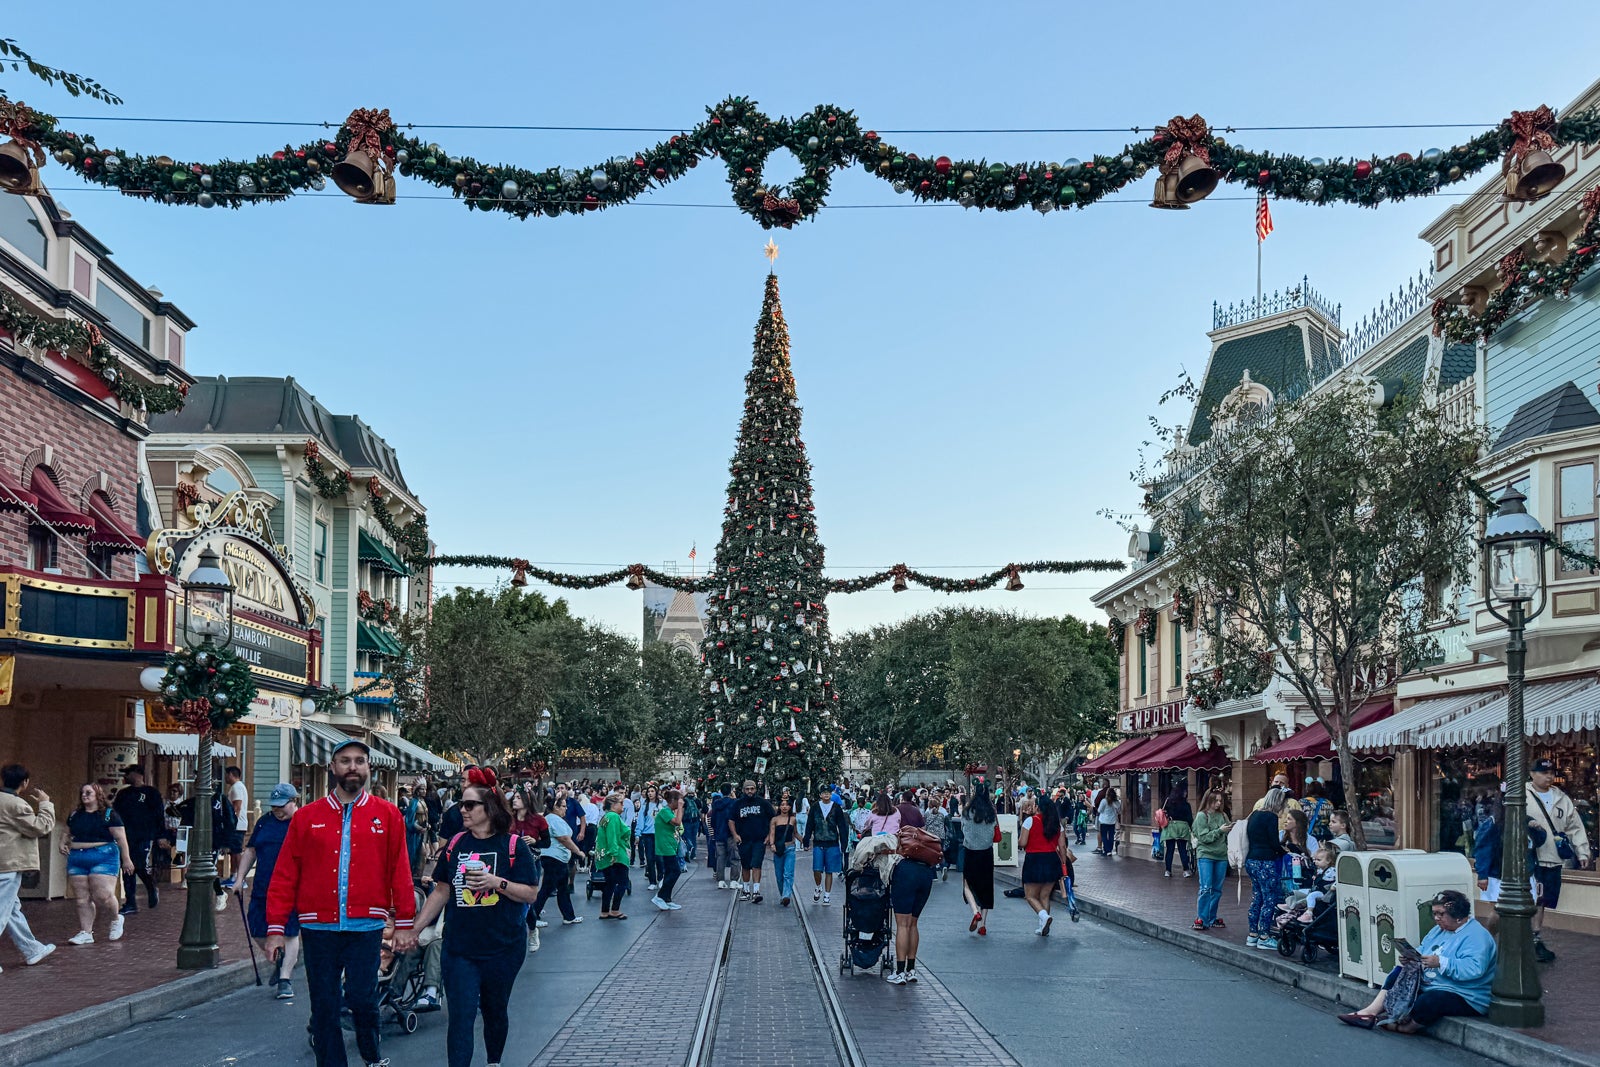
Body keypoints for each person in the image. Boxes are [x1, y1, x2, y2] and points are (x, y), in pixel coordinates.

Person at [265, 738, 414, 1067]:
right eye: (345, 761)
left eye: (359, 761)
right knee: (324, 1006)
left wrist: (404, 923)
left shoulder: (387, 815)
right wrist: (276, 928)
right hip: (319, 927)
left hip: (367, 925)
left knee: (363, 999)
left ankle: (372, 1057)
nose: (352, 767)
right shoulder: (306, 817)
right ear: (332, 767)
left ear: (368, 768)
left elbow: (399, 870)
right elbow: (285, 874)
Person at [404, 771, 538, 1067]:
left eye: (469, 805)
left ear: (489, 807)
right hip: (460, 948)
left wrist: (496, 883)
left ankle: (493, 1061)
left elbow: (530, 893)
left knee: (494, 1011)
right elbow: (441, 891)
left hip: (503, 947)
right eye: (462, 804)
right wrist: (413, 929)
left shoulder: (514, 846)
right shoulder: (455, 845)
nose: (461, 810)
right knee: (461, 1017)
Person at [1338, 890, 1496, 1033]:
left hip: (1466, 994)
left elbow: (1474, 969)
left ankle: (1407, 1026)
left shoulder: (1477, 936)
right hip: (1435, 982)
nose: (1436, 918)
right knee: (1398, 972)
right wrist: (1411, 958)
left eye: (1441, 914)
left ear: (1458, 915)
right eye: (1434, 914)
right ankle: (1369, 1012)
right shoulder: (1438, 930)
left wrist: (1441, 962)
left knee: (1430, 1000)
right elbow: (1423, 950)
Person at [234, 783, 301, 999]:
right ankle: (279, 957)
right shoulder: (264, 822)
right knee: (258, 930)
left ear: (294, 802)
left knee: (289, 933)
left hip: (292, 889)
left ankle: (285, 979)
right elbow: (251, 851)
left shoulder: (303, 822)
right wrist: (239, 878)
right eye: (274, 806)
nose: (277, 810)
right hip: (263, 886)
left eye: (282, 806)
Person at [1527, 757, 1591, 962]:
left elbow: (1575, 826)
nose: (1548, 776)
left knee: (1543, 900)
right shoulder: (1522, 795)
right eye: (1543, 772)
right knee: (1531, 898)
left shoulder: (1561, 798)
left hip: (1553, 858)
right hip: (1530, 858)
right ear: (1532, 774)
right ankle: (1526, 938)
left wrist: (1582, 852)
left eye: (1551, 773)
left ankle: (1535, 937)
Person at [60, 783, 132, 946]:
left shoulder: (109, 814)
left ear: (98, 795)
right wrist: (62, 842)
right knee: (81, 898)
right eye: (82, 792)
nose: (84, 795)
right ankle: (86, 932)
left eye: (88, 792)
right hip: (77, 856)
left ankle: (116, 918)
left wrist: (126, 859)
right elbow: (67, 831)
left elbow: (121, 838)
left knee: (103, 894)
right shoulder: (75, 814)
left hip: (103, 855)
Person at [0, 764, 55, 970]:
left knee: (12, 910)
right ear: (25, 783)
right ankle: (32, 949)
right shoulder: (16, 805)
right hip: (8, 864)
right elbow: (40, 827)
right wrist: (45, 804)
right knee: (2, 910)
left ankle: (32, 949)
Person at [112, 766, 164, 915]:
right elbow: (115, 812)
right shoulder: (123, 794)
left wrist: (160, 835)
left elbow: (159, 815)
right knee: (127, 868)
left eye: (128, 773)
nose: (125, 776)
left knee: (140, 865)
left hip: (144, 836)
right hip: (126, 837)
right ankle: (130, 903)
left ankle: (151, 886)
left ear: (137, 774)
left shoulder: (151, 793)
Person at [886, 834, 936, 985]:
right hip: (926, 873)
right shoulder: (921, 834)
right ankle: (911, 969)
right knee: (913, 924)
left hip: (906, 874)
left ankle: (900, 972)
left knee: (902, 924)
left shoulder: (901, 832)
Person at [1246, 787, 1289, 951]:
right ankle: (1264, 935)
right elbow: (1273, 842)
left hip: (1252, 859)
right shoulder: (1270, 817)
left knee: (1257, 897)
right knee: (1269, 898)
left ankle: (1252, 934)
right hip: (1265, 861)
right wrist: (1283, 852)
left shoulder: (1255, 815)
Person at [530, 794, 581, 930]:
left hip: (557, 858)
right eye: (563, 806)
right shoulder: (553, 819)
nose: (565, 809)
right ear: (555, 807)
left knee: (562, 889)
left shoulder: (552, 819)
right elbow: (564, 838)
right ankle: (533, 916)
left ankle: (568, 916)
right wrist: (578, 852)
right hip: (554, 858)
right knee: (548, 888)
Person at [1017, 797, 1062, 936]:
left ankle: (1044, 917)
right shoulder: (1057, 824)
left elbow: (1023, 842)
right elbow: (1063, 846)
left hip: (1035, 859)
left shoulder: (1030, 821)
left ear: (1038, 807)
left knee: (1030, 895)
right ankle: (1042, 925)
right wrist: (1064, 863)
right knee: (1045, 896)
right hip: (1052, 860)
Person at [1191, 787, 1232, 931]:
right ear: (1208, 800)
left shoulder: (1223, 815)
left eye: (1221, 801)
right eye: (1216, 801)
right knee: (1206, 887)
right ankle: (1202, 918)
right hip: (1206, 855)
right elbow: (1203, 837)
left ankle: (1211, 917)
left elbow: (1228, 834)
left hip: (1221, 855)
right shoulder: (1202, 816)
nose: (1219, 804)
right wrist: (1219, 831)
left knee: (1217, 889)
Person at [729, 780, 775, 903]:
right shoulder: (738, 804)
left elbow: (773, 819)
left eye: (752, 788)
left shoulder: (763, 803)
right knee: (745, 865)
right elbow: (731, 820)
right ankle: (745, 890)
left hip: (759, 840)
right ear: (743, 790)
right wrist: (735, 835)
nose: (750, 791)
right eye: (747, 789)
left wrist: (769, 836)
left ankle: (756, 891)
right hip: (743, 840)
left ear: (756, 789)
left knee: (756, 864)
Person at [804, 786, 849, 905]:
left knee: (829, 871)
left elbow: (842, 826)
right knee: (817, 869)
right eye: (824, 793)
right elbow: (810, 824)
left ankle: (827, 896)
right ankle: (818, 886)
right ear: (820, 795)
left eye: (828, 793)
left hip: (832, 842)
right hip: (818, 842)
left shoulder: (836, 808)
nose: (826, 795)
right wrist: (806, 839)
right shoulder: (815, 807)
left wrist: (844, 843)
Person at [961, 788, 997, 936]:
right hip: (986, 852)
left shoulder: (966, 812)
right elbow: (994, 830)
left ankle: (975, 911)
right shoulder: (991, 813)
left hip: (970, 851)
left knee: (967, 884)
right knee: (986, 887)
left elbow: (963, 829)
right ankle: (983, 925)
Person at [595, 792, 630, 920]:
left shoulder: (605, 817)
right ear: (614, 805)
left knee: (610, 883)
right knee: (623, 882)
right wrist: (614, 854)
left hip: (606, 854)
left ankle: (605, 910)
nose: (623, 806)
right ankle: (615, 909)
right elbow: (612, 836)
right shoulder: (613, 817)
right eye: (621, 803)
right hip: (615, 855)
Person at [652, 788, 685, 911]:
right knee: (675, 871)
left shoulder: (669, 811)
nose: (681, 803)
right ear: (673, 800)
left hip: (670, 845)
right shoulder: (664, 811)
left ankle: (667, 899)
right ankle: (660, 896)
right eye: (679, 801)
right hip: (665, 846)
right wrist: (680, 808)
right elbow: (677, 822)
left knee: (670, 872)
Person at [767, 796, 797, 906]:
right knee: (779, 875)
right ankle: (783, 895)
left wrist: (804, 841)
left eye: (787, 805)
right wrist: (772, 844)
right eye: (782, 805)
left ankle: (786, 896)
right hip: (778, 849)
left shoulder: (793, 819)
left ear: (790, 807)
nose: (785, 807)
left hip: (790, 848)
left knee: (788, 874)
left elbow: (795, 833)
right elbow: (772, 833)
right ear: (779, 806)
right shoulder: (775, 820)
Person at [1159, 783, 1194, 879]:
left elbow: (1162, 815)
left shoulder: (1168, 802)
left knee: (1169, 850)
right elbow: (1190, 818)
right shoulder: (1186, 804)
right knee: (1182, 849)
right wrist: (1192, 829)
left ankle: (1168, 870)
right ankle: (1186, 870)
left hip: (1170, 827)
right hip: (1182, 827)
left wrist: (1160, 829)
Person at [634, 784, 663, 891]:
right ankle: (652, 881)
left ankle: (661, 878)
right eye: (648, 792)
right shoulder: (644, 805)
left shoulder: (661, 805)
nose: (650, 793)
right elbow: (640, 820)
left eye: (652, 791)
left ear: (656, 792)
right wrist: (638, 834)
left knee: (659, 858)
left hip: (659, 834)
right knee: (650, 859)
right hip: (648, 835)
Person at [222, 765, 249, 879]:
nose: (225, 778)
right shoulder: (238, 786)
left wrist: (230, 822)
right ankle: (233, 875)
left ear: (231, 775)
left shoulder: (237, 787)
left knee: (237, 851)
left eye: (226, 775)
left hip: (237, 825)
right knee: (233, 851)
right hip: (238, 824)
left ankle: (240, 877)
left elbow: (236, 806)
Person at [708, 789, 737, 888]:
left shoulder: (716, 804)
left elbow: (712, 821)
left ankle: (721, 880)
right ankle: (734, 881)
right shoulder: (734, 803)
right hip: (731, 834)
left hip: (719, 834)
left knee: (720, 858)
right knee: (734, 858)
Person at [1095, 787, 1120, 856]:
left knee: (1104, 836)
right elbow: (1119, 811)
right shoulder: (1116, 802)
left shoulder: (1104, 801)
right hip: (1112, 821)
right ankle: (1110, 850)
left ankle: (1106, 850)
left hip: (1103, 821)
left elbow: (1099, 810)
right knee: (1111, 836)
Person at [682, 787, 702, 862]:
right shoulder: (697, 800)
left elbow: (682, 811)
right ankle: (693, 854)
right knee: (694, 837)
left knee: (687, 837)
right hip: (695, 821)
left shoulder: (685, 800)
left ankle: (687, 852)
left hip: (686, 821)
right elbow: (700, 812)